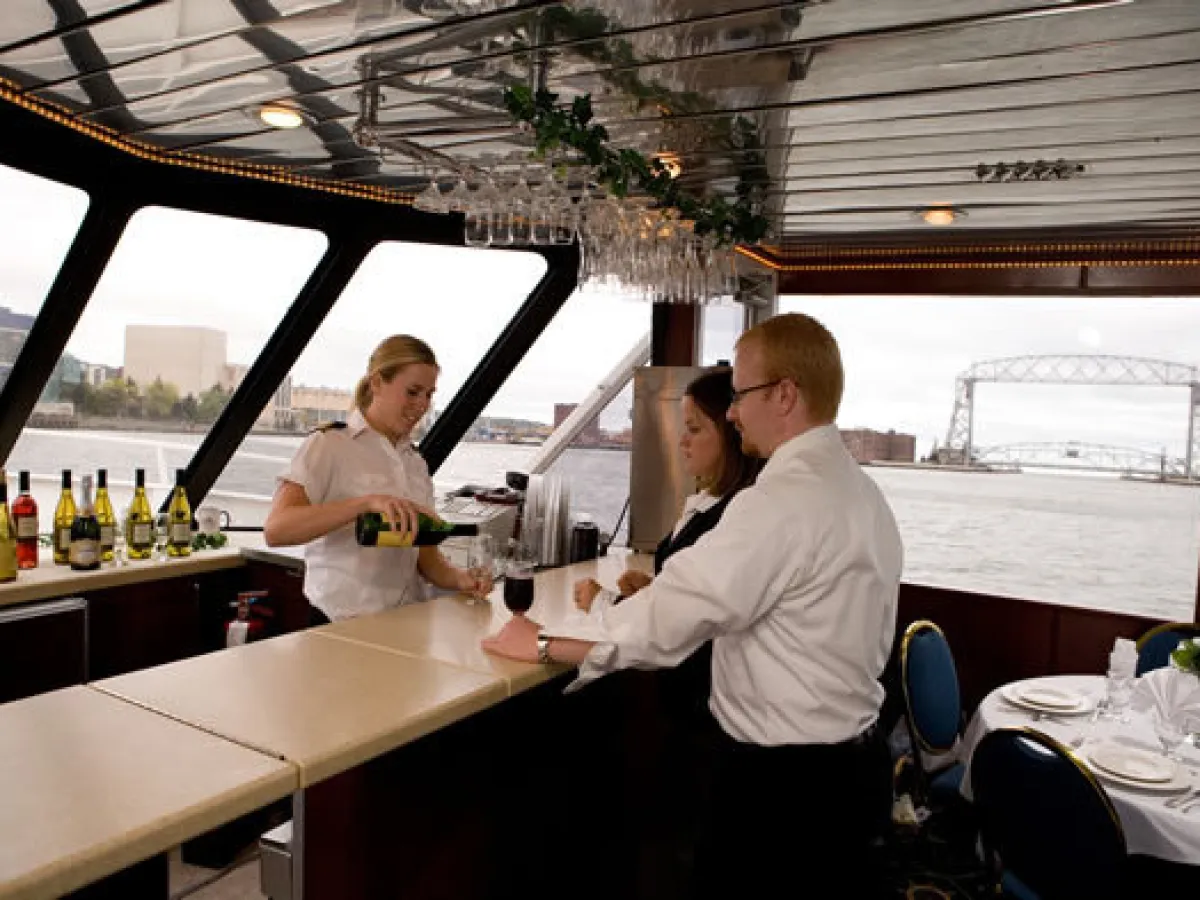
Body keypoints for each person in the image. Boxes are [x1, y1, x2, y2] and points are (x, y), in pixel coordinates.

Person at [483, 313, 903, 898]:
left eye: (739, 395)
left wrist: (547, 643)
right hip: (852, 774)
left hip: (785, 790)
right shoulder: (860, 491)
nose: (732, 412)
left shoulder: (781, 501)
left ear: (784, 395)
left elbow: (673, 612)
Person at [264, 334, 490, 625]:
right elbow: (277, 529)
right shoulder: (330, 444)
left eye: (429, 394)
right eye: (412, 392)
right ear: (377, 383)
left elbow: (427, 559)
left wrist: (463, 579)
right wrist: (366, 503)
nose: (422, 405)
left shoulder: (415, 464)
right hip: (340, 626)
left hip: (405, 625)